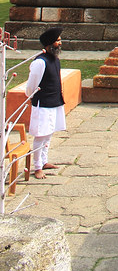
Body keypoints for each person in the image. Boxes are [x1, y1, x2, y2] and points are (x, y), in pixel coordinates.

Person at [25, 26, 66, 178]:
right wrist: (31, 97)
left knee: (48, 134)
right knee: (40, 135)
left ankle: (44, 161)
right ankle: (37, 167)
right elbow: (31, 85)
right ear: (49, 44)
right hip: (42, 104)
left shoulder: (55, 59)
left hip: (54, 102)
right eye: (57, 41)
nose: (60, 44)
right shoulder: (40, 62)